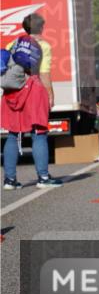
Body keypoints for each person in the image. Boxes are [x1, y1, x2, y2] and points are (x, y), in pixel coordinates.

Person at [3, 13, 61, 190]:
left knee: (13, 134)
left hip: (12, 92)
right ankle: (43, 177)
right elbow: (43, 74)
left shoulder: (12, 44)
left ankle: (9, 180)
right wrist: (50, 94)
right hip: (34, 90)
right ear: (41, 27)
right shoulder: (43, 46)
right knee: (39, 133)